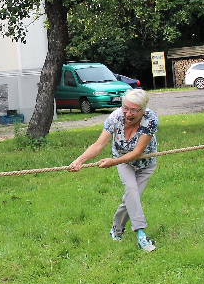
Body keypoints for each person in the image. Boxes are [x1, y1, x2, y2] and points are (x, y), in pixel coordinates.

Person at [68, 89, 161, 252]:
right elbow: (99, 145)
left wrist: (113, 162)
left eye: (133, 110)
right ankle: (141, 235)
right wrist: (79, 161)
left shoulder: (150, 119)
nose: (128, 113)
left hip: (145, 163)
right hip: (123, 161)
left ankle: (116, 229)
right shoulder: (115, 117)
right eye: (125, 108)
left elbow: (137, 152)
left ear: (143, 110)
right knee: (131, 190)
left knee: (132, 197)